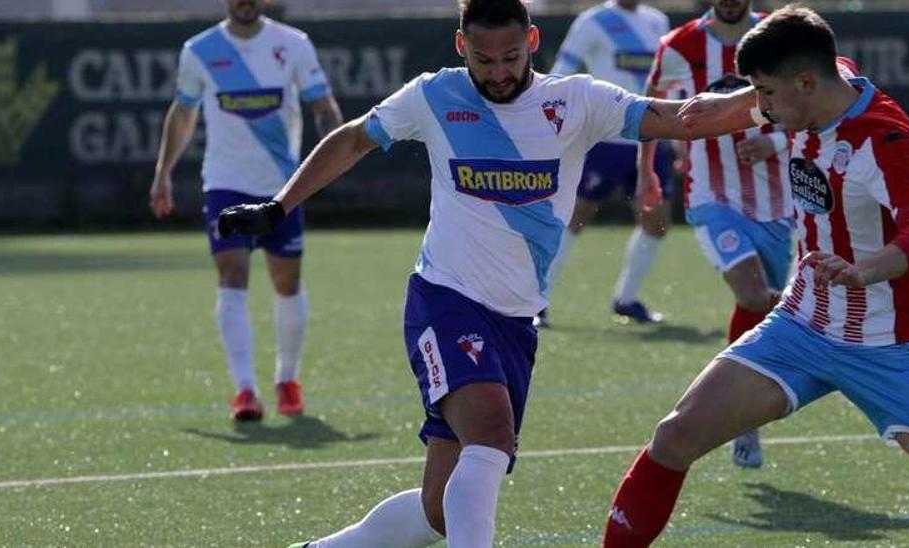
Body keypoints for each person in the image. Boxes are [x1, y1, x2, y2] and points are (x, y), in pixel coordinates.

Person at [214, 0, 765, 545]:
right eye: (484, 60)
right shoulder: (433, 95)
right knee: (492, 433)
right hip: (445, 298)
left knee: (440, 508)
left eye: (510, 57)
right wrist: (278, 207)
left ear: (531, 43)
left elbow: (684, 117)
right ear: (462, 48)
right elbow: (355, 137)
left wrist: (767, 96)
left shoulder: (575, 100)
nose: (498, 73)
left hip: (516, 321)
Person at [602, 7, 909, 547]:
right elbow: (709, 114)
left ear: (806, 84)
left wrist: (866, 270)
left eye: (765, 95)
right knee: (674, 437)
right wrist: (619, 115)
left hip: (888, 346)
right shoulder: (814, 88)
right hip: (801, 326)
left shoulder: (884, 140)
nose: (758, 110)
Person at [149, 0, 343, 421]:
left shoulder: (293, 44)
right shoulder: (200, 50)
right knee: (232, 276)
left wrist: (334, 156)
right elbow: (183, 111)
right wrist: (164, 171)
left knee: (287, 283)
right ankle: (245, 390)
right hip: (225, 183)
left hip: (283, 189)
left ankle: (287, 379)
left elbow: (323, 106)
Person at [640, 0, 801, 468]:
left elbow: (812, 110)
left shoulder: (781, 37)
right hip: (711, 198)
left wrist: (771, 141)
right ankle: (740, 413)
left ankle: (747, 407)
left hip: (776, 204)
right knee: (752, 294)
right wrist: (645, 178)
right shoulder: (679, 46)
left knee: (760, 305)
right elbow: (648, 114)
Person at [544, 0, 674, 327]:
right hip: (605, 137)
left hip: (652, 135)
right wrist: (551, 118)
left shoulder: (657, 21)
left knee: (657, 221)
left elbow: (671, 76)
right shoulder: (593, 21)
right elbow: (563, 70)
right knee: (577, 214)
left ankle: (626, 300)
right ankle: (536, 304)